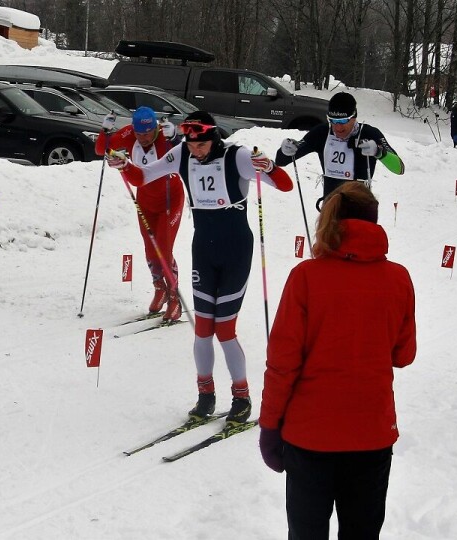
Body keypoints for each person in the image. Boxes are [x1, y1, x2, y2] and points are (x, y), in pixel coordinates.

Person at [106, 111, 293, 424]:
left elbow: (284, 185)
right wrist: (124, 166)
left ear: (214, 138)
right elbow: (143, 176)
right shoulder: (182, 153)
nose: (196, 151)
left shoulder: (237, 156)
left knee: (225, 329)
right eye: (192, 145)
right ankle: (206, 395)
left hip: (235, 252)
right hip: (203, 251)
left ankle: (242, 397)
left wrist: (270, 167)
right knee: (203, 329)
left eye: (202, 145)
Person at [258, 182, 416, 539]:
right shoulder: (398, 278)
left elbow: (282, 363)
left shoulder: (305, 277)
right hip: (371, 434)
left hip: (309, 437)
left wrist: (269, 426)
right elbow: (404, 354)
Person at [95, 106, 185, 321]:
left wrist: (175, 137)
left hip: (170, 200)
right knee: (150, 250)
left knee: (164, 248)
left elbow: (186, 152)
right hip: (145, 200)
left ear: (156, 128)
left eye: (148, 133)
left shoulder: (164, 136)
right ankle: (160, 288)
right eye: (139, 134)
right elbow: (101, 149)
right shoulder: (128, 134)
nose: (143, 138)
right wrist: (105, 132)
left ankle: (174, 298)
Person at [275, 92, 405, 209]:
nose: (338, 127)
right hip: (331, 210)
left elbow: (399, 168)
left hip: (361, 209)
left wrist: (379, 152)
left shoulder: (369, 133)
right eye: (333, 121)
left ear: (354, 117)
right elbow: (281, 160)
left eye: (343, 121)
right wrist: (285, 150)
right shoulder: (322, 133)